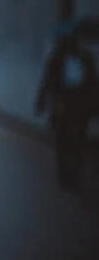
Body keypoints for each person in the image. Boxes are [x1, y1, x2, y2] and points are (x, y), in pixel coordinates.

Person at [36, 27, 98, 189]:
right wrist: (41, 101)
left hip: (75, 107)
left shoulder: (84, 58)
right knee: (66, 141)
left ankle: (70, 173)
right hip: (65, 106)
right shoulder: (59, 59)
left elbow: (93, 84)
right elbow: (47, 81)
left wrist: (41, 102)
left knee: (73, 141)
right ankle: (66, 174)